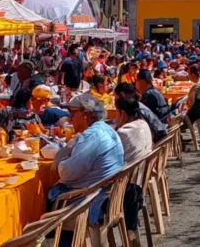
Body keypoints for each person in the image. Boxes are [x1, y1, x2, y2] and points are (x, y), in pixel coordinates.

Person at [50, 93, 125, 225]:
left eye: (72, 113)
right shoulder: (107, 129)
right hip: (103, 194)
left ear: (86, 113)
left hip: (89, 201)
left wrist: (67, 149)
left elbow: (66, 173)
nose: (69, 119)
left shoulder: (91, 136)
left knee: (48, 196)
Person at [115, 96, 153, 164]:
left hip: (131, 173)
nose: (116, 117)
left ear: (122, 114)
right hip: (146, 169)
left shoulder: (123, 132)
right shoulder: (144, 124)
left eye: (117, 112)